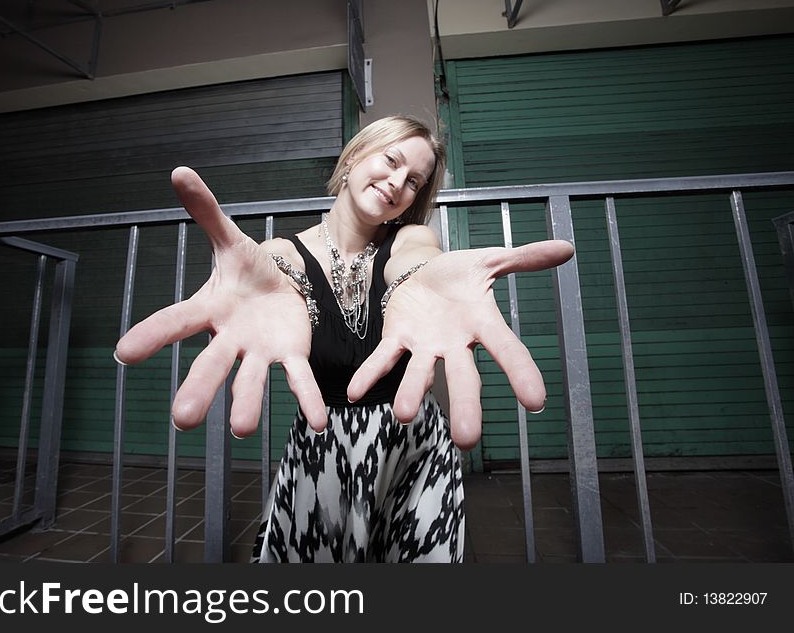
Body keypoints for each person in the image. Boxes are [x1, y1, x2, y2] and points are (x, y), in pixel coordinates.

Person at [114, 115, 574, 563]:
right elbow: (279, 275)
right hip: (323, 444)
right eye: (391, 160)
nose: (398, 182)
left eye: (414, 181)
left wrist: (424, 277)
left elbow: (416, 261)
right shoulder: (280, 255)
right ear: (353, 157)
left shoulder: (412, 237)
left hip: (414, 444)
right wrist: (263, 289)